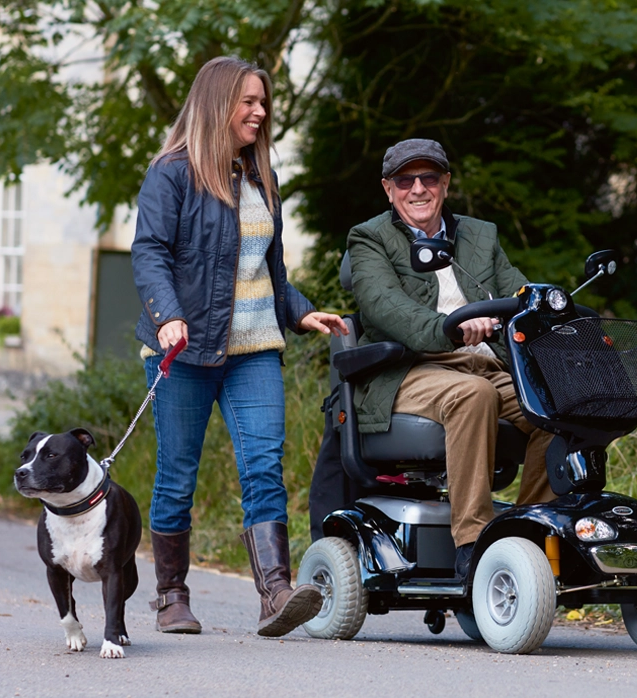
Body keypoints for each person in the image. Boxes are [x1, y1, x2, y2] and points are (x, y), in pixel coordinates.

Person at [131, 56, 348, 638]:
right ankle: (172, 594)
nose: (260, 111)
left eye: (263, 102)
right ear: (217, 104)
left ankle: (275, 592)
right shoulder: (172, 174)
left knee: (263, 467)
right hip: (183, 348)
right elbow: (149, 253)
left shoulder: (261, 178)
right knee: (177, 475)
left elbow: (268, 270)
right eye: (248, 101)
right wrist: (167, 316)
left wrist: (301, 310)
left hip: (254, 348)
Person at [343, 138, 555, 578]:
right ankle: (472, 544)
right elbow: (385, 306)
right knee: (472, 395)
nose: (418, 189)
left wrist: (548, 305)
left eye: (429, 178)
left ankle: (528, 534)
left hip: (489, 364)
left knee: (556, 406)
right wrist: (447, 329)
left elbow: (517, 290)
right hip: (409, 368)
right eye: (406, 180)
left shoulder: (481, 235)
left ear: (446, 183)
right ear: (388, 188)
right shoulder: (369, 238)